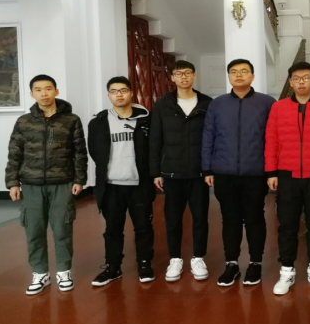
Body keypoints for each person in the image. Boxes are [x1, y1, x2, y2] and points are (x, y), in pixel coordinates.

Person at [5, 75, 87, 295]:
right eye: (39, 90)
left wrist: (79, 179)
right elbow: (14, 153)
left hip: (62, 183)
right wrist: (13, 182)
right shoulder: (23, 122)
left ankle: (63, 272)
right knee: (34, 230)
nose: (44, 93)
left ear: (56, 91)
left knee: (62, 229)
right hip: (31, 184)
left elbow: (80, 152)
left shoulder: (71, 120)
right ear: (32, 94)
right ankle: (40, 273)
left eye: (48, 89)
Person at [264, 61, 310, 295]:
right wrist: (271, 171)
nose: (301, 82)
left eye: (306, 78)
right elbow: (271, 140)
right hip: (286, 175)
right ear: (290, 82)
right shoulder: (278, 108)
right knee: (287, 225)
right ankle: (287, 270)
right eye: (296, 78)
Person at [201, 59, 276, 286]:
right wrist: (207, 168)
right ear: (229, 77)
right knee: (230, 219)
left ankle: (255, 263)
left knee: (255, 218)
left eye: (244, 71)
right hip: (224, 172)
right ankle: (231, 264)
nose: (239, 75)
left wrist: (272, 170)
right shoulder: (218, 104)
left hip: (256, 172)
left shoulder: (267, 103)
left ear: (253, 76)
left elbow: (274, 139)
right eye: (234, 72)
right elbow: (208, 136)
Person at [88, 76, 155, 286]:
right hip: (111, 185)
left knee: (143, 227)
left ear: (131, 93)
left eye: (123, 90)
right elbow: (95, 151)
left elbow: (154, 149)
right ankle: (113, 267)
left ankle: (145, 264)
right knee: (113, 230)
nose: (119, 95)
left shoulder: (146, 120)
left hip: (139, 184)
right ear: (108, 95)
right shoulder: (98, 122)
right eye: (114, 91)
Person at [149, 60, 213, 282]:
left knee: (200, 218)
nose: (183, 77)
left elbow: (212, 138)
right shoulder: (162, 105)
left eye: (187, 73)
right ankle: (175, 259)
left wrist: (210, 168)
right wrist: (156, 172)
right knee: (173, 219)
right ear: (172, 78)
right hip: (172, 172)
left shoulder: (207, 103)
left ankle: (198, 258)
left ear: (194, 76)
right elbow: (155, 140)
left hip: (199, 173)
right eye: (179, 74)